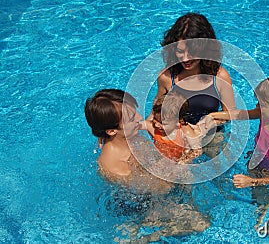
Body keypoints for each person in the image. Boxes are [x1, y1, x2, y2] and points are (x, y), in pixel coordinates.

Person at [84, 89, 209, 242]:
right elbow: (162, 189)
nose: (139, 118)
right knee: (201, 223)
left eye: (135, 112)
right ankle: (144, 238)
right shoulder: (115, 167)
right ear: (111, 131)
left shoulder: (132, 138)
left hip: (155, 191)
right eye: (131, 118)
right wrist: (185, 160)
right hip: (138, 208)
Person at [209, 74, 269, 234]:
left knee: (262, 200)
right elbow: (240, 114)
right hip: (255, 160)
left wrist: (252, 181)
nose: (257, 106)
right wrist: (213, 115)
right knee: (252, 197)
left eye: (261, 103)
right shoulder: (265, 114)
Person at [152, 12, 236, 157]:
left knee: (217, 170)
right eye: (180, 51)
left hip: (211, 135)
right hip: (176, 134)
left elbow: (231, 114)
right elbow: (157, 110)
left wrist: (207, 121)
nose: (185, 58)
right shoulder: (167, 77)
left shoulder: (219, 77)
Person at [145, 91, 207, 163]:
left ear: (177, 122)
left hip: (179, 160)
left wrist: (184, 160)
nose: (156, 125)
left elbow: (197, 151)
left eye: (162, 123)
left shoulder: (185, 131)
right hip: (159, 158)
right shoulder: (153, 127)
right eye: (155, 119)